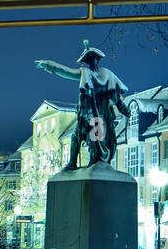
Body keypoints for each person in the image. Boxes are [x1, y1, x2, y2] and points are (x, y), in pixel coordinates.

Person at [35, 41, 129, 169]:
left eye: (92, 59)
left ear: (97, 59)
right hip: (86, 113)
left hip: (99, 115)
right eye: (88, 60)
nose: (90, 63)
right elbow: (65, 72)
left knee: (95, 139)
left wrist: (124, 110)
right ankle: (72, 162)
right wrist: (49, 66)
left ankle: (94, 163)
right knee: (75, 136)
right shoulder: (85, 73)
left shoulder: (107, 74)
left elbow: (116, 97)